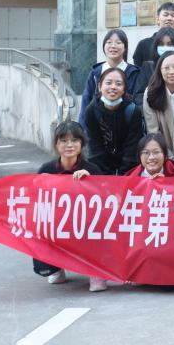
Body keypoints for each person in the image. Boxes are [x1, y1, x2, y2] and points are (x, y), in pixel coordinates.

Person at [34, 121, 105, 292]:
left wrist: (91, 181)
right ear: (56, 144)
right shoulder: (46, 169)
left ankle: (96, 272)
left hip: (86, 225)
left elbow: (106, 198)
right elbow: (31, 199)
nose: (69, 145)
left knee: (98, 230)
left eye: (74, 140)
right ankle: (56, 268)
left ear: (82, 144)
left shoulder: (92, 169)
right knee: (40, 228)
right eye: (64, 140)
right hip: (58, 223)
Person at [83, 67, 145, 175]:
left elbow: (132, 148)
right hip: (101, 166)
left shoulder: (133, 111)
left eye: (118, 84)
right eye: (108, 83)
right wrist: (106, 176)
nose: (113, 87)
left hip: (128, 167)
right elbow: (94, 147)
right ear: (99, 86)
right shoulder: (91, 111)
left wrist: (122, 176)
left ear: (124, 88)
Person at [79, 29, 143, 127]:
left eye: (118, 42)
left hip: (127, 127)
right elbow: (86, 102)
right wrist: (82, 131)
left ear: (125, 47)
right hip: (97, 129)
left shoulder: (135, 73)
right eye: (109, 42)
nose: (113, 46)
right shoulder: (95, 73)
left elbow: (138, 104)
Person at [132, 2, 174, 67]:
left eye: (173, 15)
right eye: (165, 15)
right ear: (158, 19)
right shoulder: (143, 45)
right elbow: (138, 69)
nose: (169, 18)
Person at [134, 26, 174, 100]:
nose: (165, 47)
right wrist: (147, 107)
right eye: (161, 44)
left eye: (169, 44)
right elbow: (139, 95)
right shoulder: (148, 67)